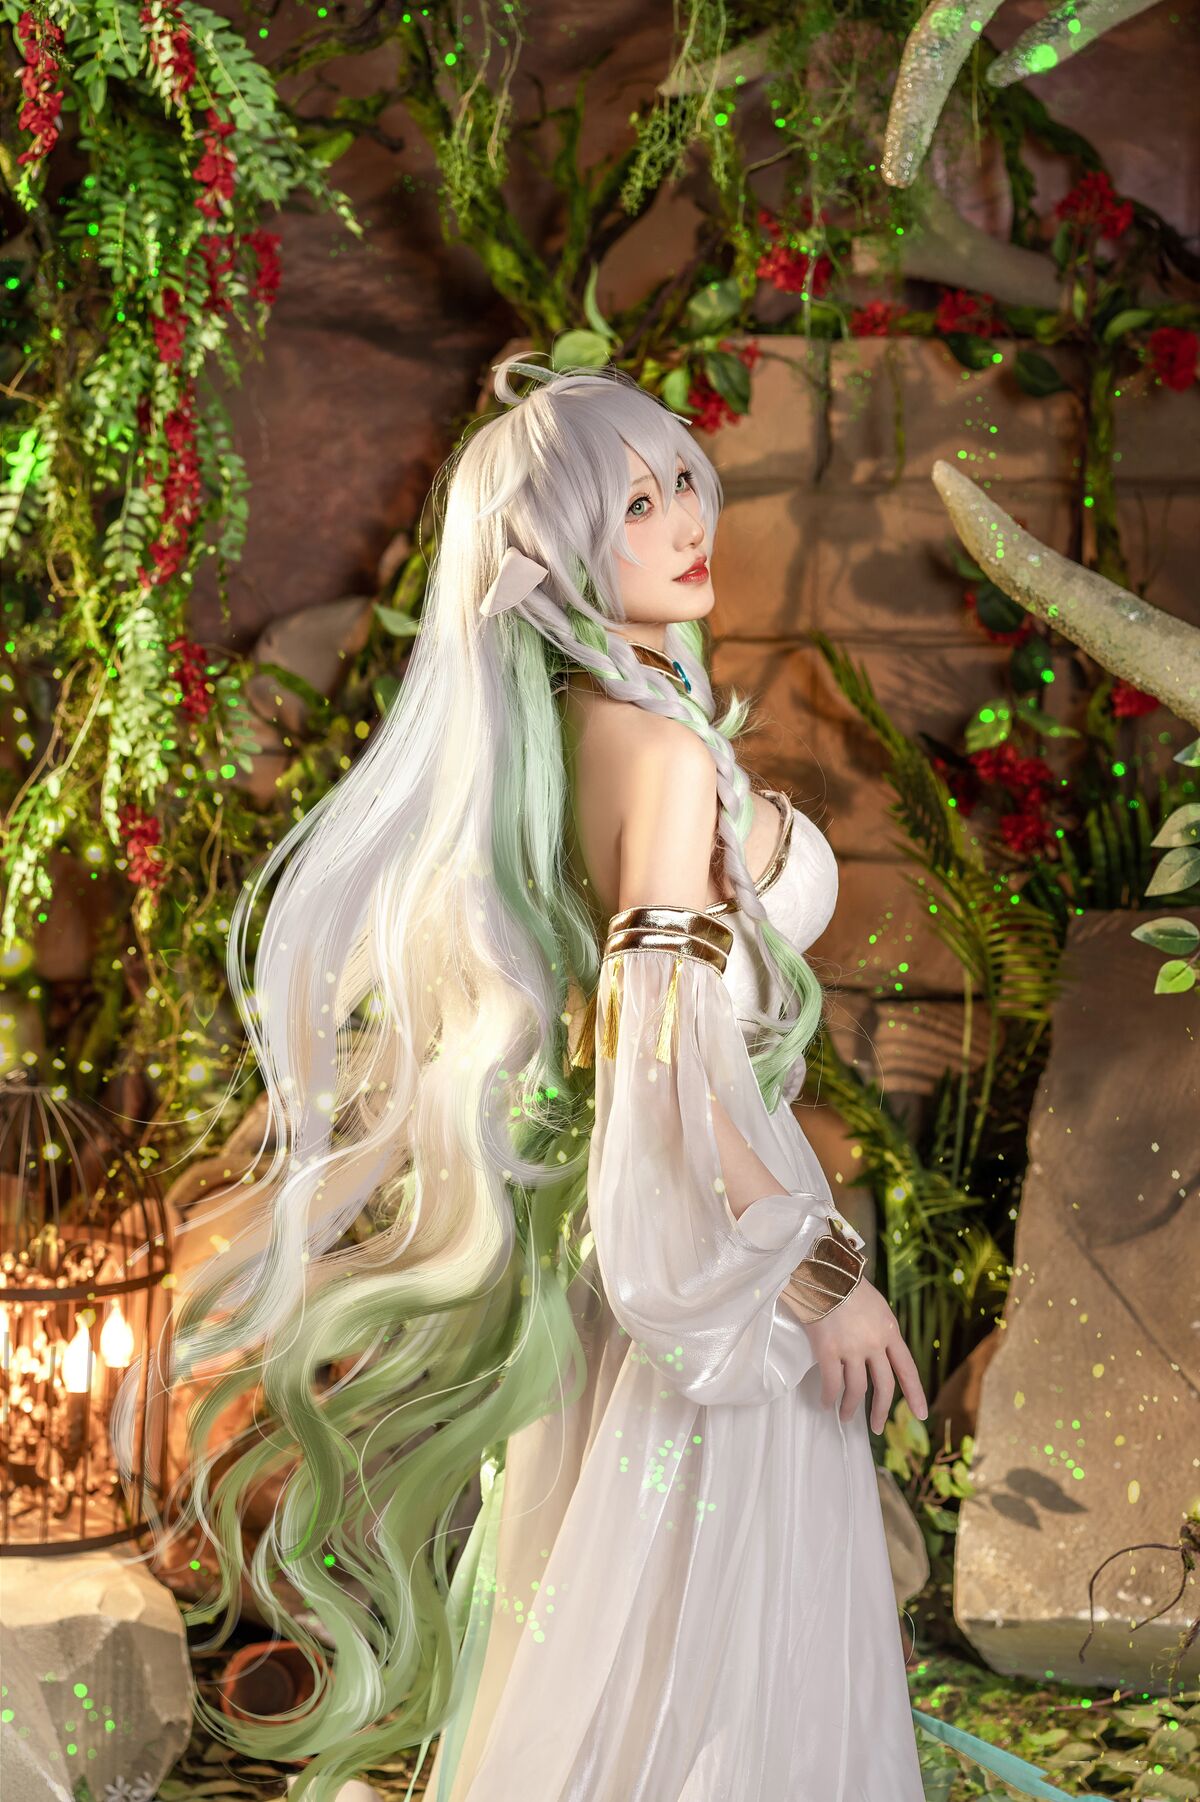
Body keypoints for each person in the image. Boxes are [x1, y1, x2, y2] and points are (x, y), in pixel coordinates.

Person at [121, 352, 1046, 1801]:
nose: (688, 519)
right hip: (717, 1242)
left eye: (683, 479)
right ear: (549, 552)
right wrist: (813, 1269)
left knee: (646, 1616)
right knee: (706, 1624)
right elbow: (652, 1043)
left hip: (667, 1225)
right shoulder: (657, 754)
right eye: (636, 505)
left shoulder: (579, 726)